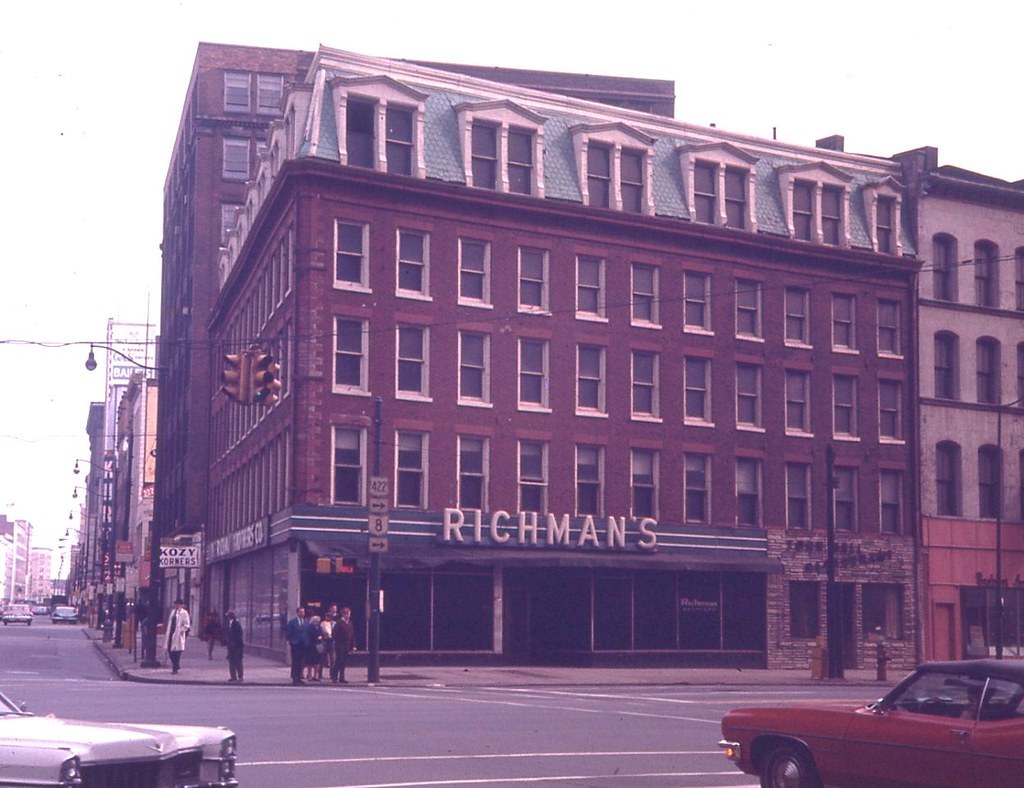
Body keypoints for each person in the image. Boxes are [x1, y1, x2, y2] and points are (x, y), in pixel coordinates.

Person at [166, 598, 191, 674]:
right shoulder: (173, 612)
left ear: (181, 605)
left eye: (178, 604)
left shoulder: (184, 613)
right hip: (171, 633)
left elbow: (187, 625)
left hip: (178, 635)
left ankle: (175, 668)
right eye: (176, 604)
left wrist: (180, 630)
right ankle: (176, 665)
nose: (177, 605)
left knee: (177, 651)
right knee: (170, 650)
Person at [331, 606, 356, 683]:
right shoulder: (339, 623)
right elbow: (334, 633)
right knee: (339, 660)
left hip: (347, 645)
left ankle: (342, 677)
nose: (349, 616)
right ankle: (334, 677)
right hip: (340, 645)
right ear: (344, 615)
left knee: (344, 661)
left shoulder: (350, 623)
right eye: (348, 614)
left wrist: (353, 645)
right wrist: (338, 640)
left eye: (349, 614)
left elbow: (352, 634)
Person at [285, 606, 309, 685]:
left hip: (303, 645)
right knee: (295, 662)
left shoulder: (305, 622)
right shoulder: (292, 622)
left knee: (301, 662)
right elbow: (288, 634)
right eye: (301, 612)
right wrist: (292, 642)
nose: (303, 613)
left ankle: (299, 677)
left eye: (303, 612)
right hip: (295, 645)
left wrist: (306, 642)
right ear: (297, 613)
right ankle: (294, 677)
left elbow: (307, 633)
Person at [224, 611, 244, 682]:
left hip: (236, 646)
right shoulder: (230, 624)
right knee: (231, 661)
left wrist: (234, 643)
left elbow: (238, 635)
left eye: (228, 617)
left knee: (237, 661)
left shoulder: (236, 624)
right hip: (231, 646)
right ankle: (233, 676)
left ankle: (240, 676)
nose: (227, 618)